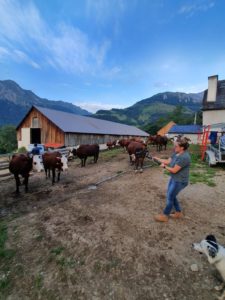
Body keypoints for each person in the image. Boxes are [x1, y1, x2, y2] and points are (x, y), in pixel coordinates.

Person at [153, 138, 191, 222]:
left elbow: (174, 170)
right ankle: (178, 213)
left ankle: (165, 216)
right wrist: (157, 159)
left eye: (176, 146)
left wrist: (164, 167)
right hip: (174, 178)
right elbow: (168, 161)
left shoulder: (184, 157)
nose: (174, 147)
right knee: (171, 195)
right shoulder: (176, 153)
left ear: (182, 148)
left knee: (170, 197)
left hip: (180, 181)